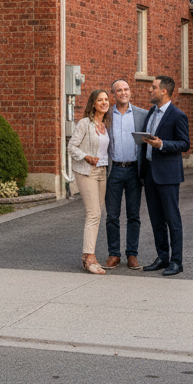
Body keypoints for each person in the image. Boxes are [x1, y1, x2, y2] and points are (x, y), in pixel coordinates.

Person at [139, 74, 190, 276]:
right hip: (150, 173)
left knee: (172, 219)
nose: (150, 90)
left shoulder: (178, 115)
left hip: (168, 175)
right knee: (156, 218)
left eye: (153, 87)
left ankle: (177, 261)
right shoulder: (152, 111)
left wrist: (162, 144)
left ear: (164, 91)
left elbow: (184, 144)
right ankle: (162, 257)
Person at [103, 78, 148, 269]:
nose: (123, 92)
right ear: (113, 94)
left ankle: (132, 254)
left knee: (133, 215)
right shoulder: (106, 115)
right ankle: (114, 254)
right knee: (112, 215)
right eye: (119, 90)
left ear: (130, 92)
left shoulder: (142, 115)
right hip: (113, 171)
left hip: (133, 171)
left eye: (126, 89)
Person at [68, 88, 112, 274]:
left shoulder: (106, 125)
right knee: (93, 213)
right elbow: (71, 146)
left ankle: (87, 256)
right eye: (100, 100)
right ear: (93, 104)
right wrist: (86, 156)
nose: (104, 102)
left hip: (102, 172)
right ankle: (90, 257)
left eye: (106, 99)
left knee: (98, 213)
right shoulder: (85, 123)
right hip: (87, 171)